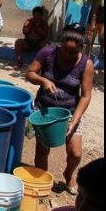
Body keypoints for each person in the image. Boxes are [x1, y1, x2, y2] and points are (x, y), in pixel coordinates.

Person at [26, 25, 94, 195]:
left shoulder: (86, 64)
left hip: (70, 111)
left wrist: (74, 120)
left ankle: (68, 174)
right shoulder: (47, 53)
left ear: (81, 48)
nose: (67, 54)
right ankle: (43, 182)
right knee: (43, 150)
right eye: (65, 49)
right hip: (44, 109)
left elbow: (85, 96)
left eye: (73, 52)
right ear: (60, 44)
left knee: (75, 153)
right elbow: (30, 73)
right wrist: (43, 80)